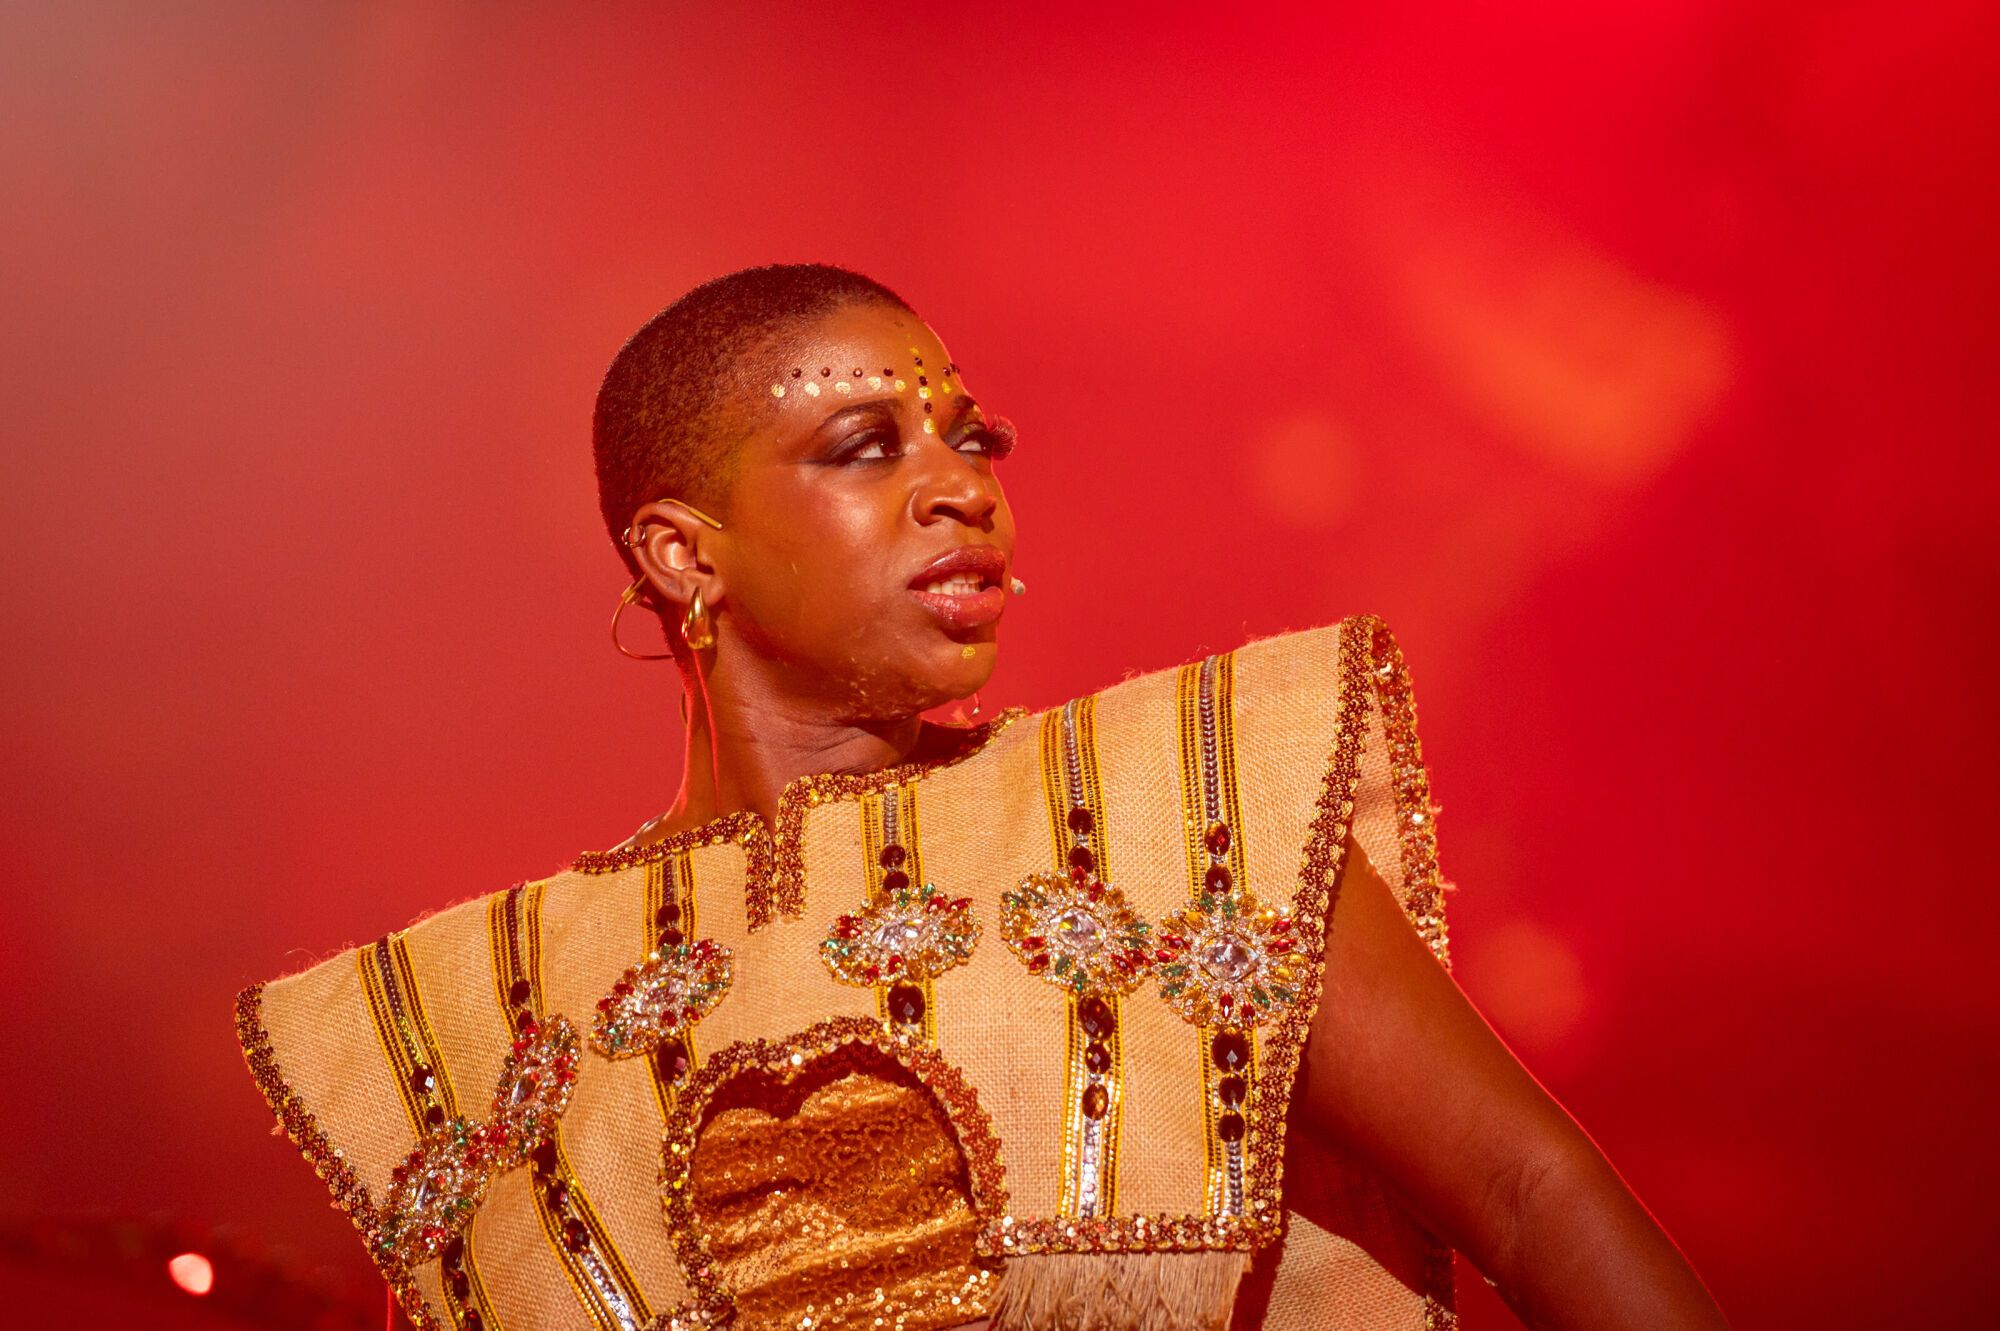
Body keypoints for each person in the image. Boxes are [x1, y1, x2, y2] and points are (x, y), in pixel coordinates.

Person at [237, 264, 1730, 1331]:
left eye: (972, 436)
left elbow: (1531, 1198)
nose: (963, 487)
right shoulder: (477, 1017)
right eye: (865, 448)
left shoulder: (1183, 811)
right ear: (686, 556)